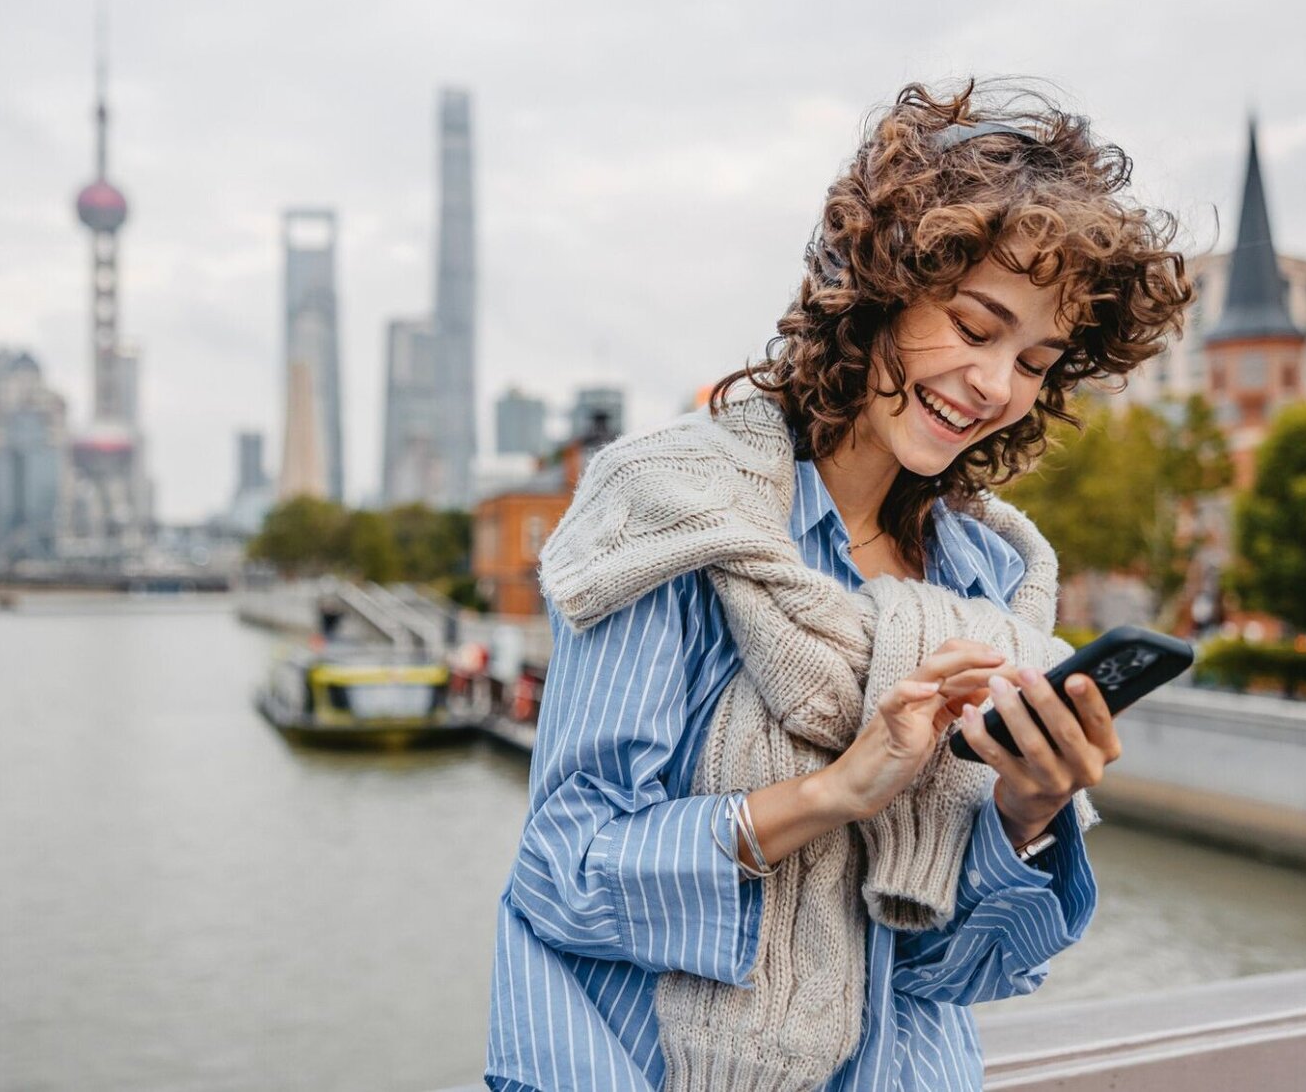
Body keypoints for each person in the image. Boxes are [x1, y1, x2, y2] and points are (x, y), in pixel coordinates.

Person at [486, 81, 1191, 1092]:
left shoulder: (987, 577)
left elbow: (954, 971)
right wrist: (832, 792)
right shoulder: (676, 510)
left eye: (1034, 360)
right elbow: (562, 873)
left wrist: (1024, 809)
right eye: (974, 323)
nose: (995, 385)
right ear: (882, 286)